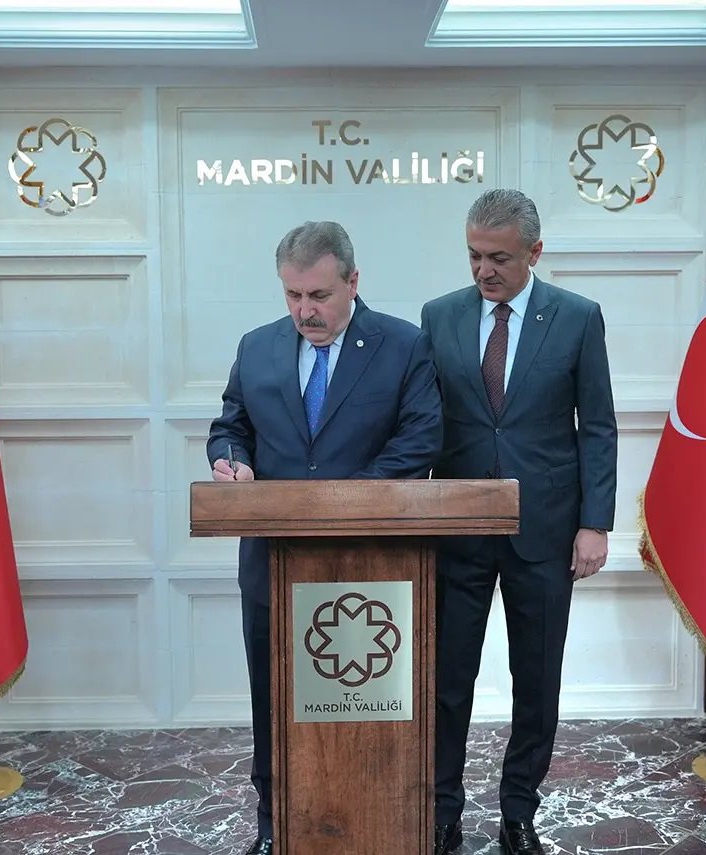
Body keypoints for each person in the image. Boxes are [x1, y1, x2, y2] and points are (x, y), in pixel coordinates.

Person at [207, 220, 443, 855]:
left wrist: (342, 501)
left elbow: (420, 439)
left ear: (353, 282)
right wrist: (232, 460)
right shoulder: (257, 347)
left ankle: (380, 821)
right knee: (273, 697)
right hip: (273, 562)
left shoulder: (403, 345)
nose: (305, 311)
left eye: (319, 295)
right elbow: (231, 425)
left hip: (375, 569)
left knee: (367, 703)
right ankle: (272, 821)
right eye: (293, 296)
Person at [420, 189, 618, 855]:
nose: (484, 270)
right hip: (457, 532)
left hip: (546, 530)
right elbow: (422, 419)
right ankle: (442, 811)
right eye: (474, 255)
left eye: (499, 257)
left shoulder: (577, 317)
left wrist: (595, 523)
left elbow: (598, 426)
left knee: (536, 682)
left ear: (534, 251)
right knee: (448, 684)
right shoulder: (439, 316)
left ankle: (518, 813)